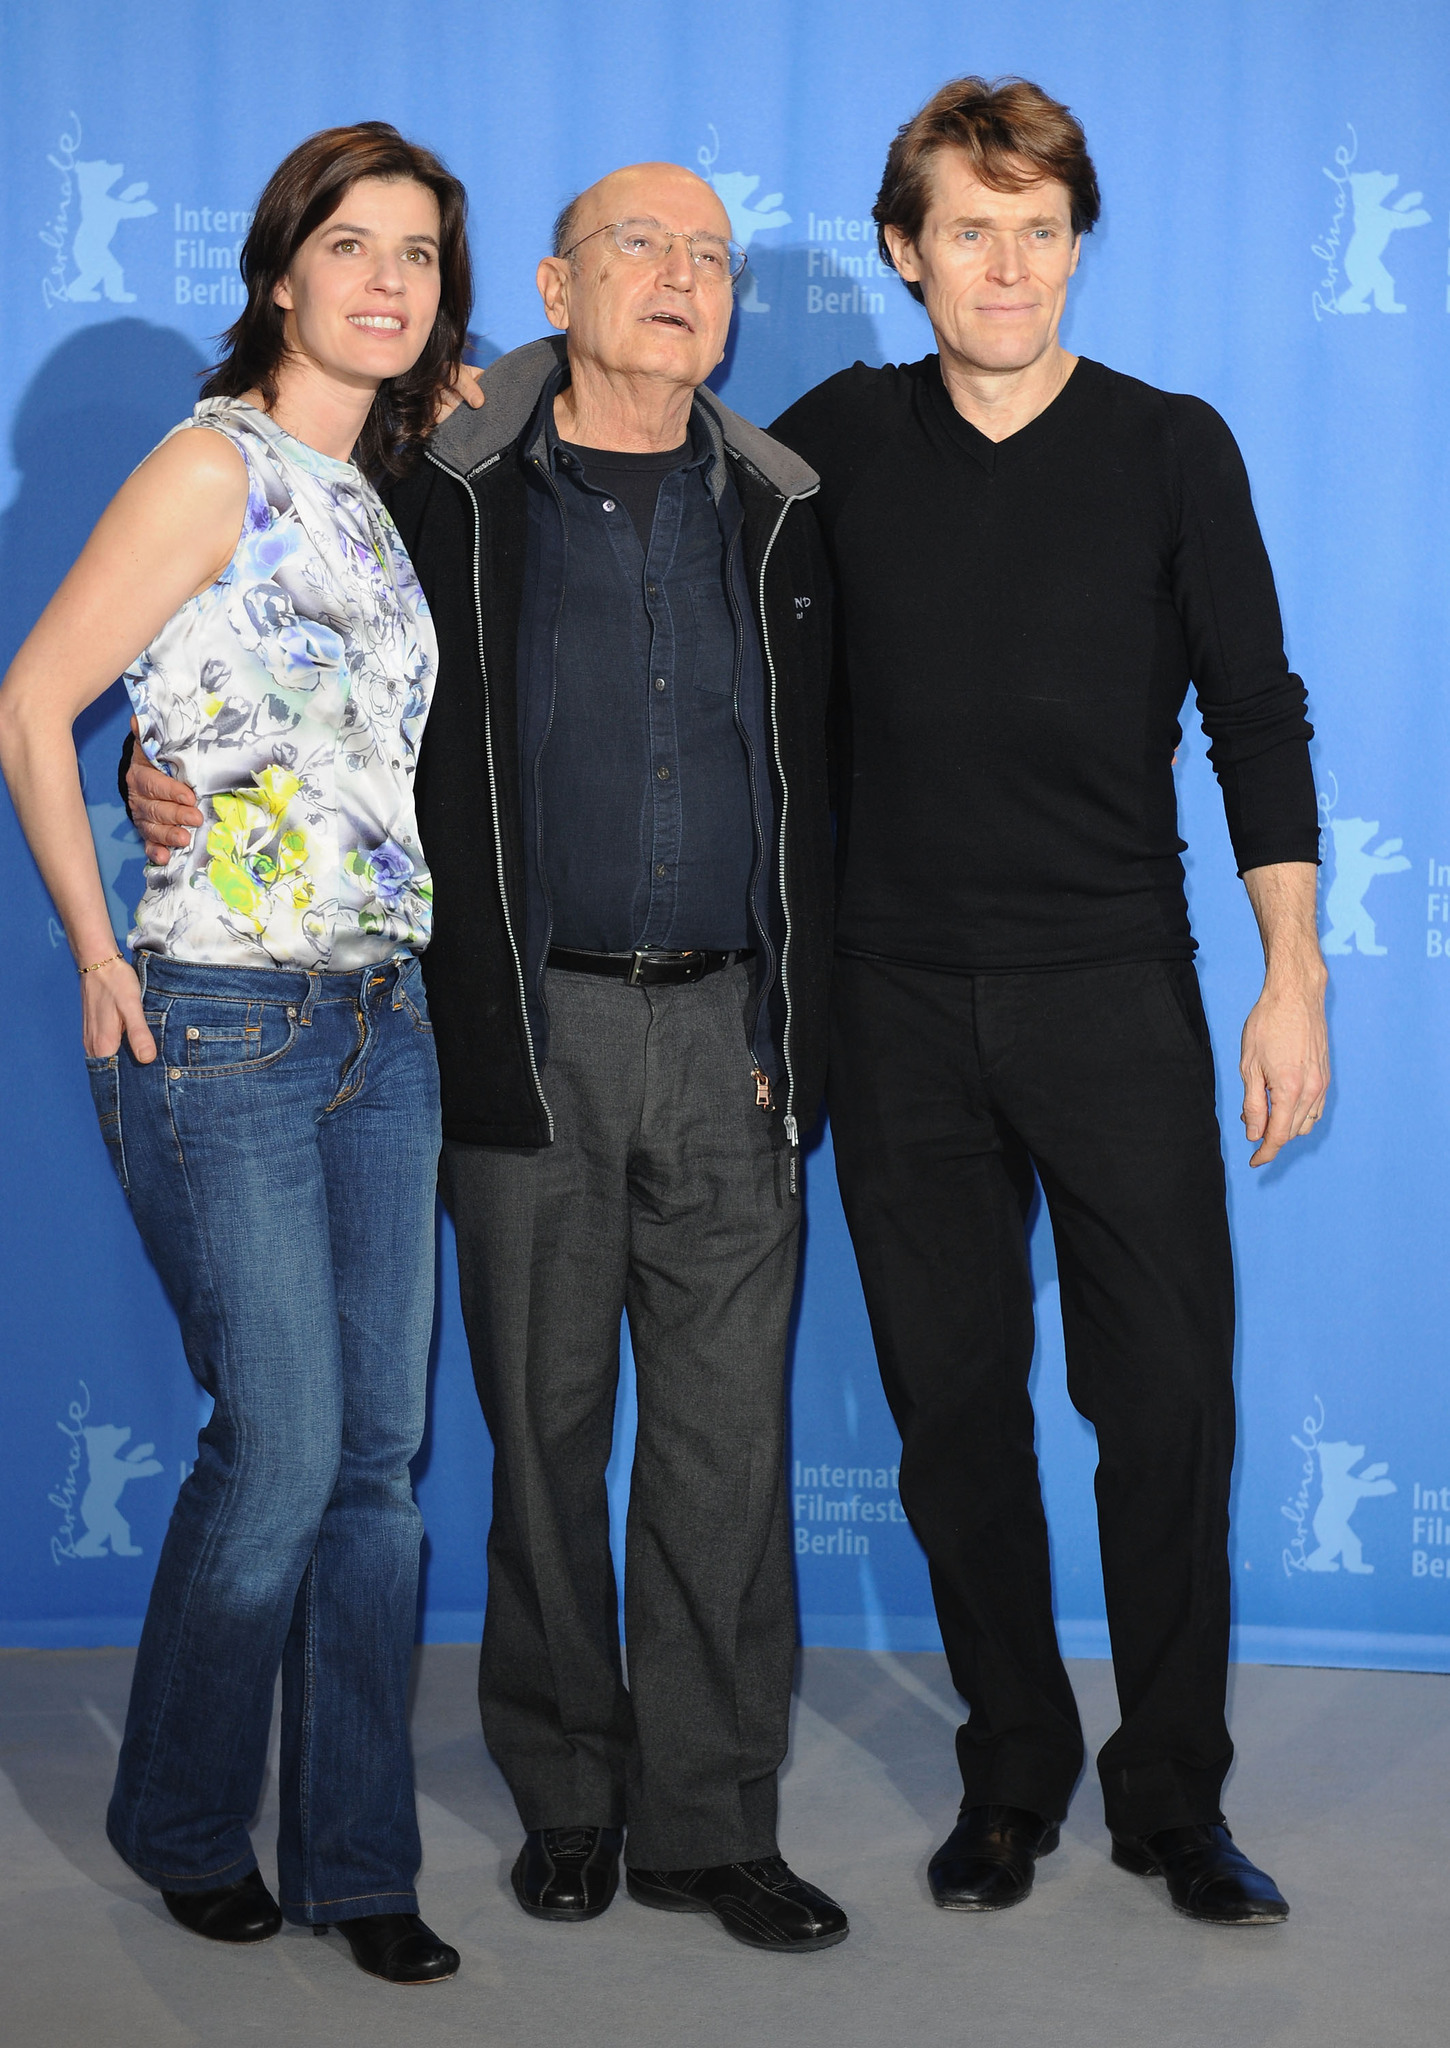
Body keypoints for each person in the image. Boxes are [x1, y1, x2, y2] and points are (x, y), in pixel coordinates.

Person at [126, 160, 847, 1955]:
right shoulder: (436, 483)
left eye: (707, 257)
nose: (677, 281)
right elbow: (249, 641)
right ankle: (573, 1800)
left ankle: (707, 1818)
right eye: (636, 249)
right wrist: (161, 783)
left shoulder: (783, 509)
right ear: (551, 282)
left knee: (721, 1457)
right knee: (537, 1437)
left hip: (737, 1031)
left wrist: (801, 1025)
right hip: (518, 1029)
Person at [771, 76, 1327, 1927]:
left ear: (1075, 242)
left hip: (1111, 994)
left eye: (1038, 226)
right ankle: (1009, 1769)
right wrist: (466, 401)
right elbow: (630, 546)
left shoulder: (1173, 448)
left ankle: (1172, 1794)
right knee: (952, 1415)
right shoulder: (820, 446)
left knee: (1165, 1405)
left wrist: (1291, 976)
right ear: (901, 253)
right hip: (894, 1000)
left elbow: (1256, 718)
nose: (1005, 264)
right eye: (966, 228)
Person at [0, 122, 470, 1985]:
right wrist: (98, 944)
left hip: (386, 1014)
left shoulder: (376, 482)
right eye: (351, 245)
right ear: (281, 269)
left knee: (378, 1463)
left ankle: (360, 1858)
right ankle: (185, 1818)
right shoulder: (215, 464)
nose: (386, 278)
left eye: (419, 253)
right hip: (223, 1019)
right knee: (279, 1452)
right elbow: (37, 698)